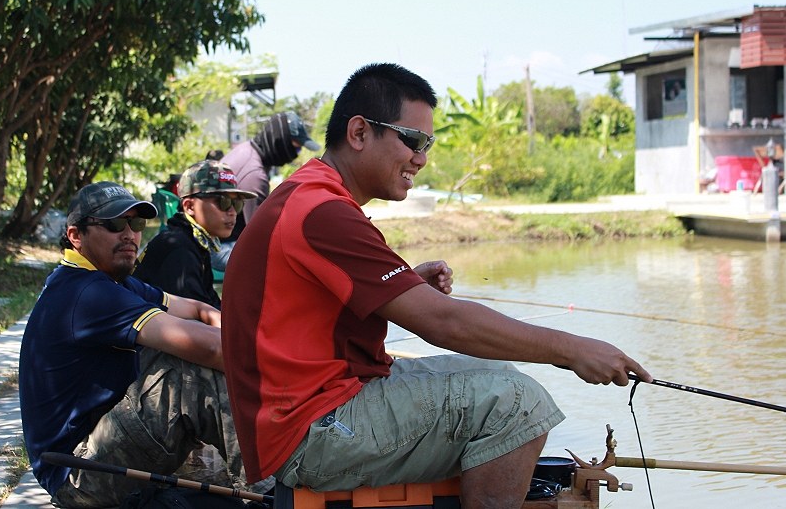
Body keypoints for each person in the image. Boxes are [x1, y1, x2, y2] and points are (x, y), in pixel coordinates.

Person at [221, 63, 652, 508]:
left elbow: (322, 304)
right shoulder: (322, 211)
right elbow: (445, 323)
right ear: (358, 133)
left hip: (315, 406)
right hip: (311, 429)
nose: (421, 158)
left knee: (501, 377)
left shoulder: (313, 197)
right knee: (521, 405)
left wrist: (406, 286)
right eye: (412, 140)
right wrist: (573, 349)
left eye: (426, 144)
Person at [19, 181, 251, 508]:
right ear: (75, 236)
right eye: (115, 224)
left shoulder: (112, 281)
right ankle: (277, 489)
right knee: (187, 375)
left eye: (136, 224)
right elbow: (210, 348)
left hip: (96, 453)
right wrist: (286, 363)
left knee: (198, 356)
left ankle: (275, 475)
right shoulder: (86, 293)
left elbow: (200, 311)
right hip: (79, 474)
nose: (129, 234)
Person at [135, 160, 255, 308]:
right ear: (190, 206)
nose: (232, 212)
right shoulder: (180, 250)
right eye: (223, 202)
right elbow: (197, 319)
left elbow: (209, 303)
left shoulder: (195, 241)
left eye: (237, 204)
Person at [212, 111, 320, 271]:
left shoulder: (248, 149)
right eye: (295, 150)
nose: (293, 157)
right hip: (218, 248)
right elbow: (261, 237)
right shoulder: (255, 175)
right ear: (280, 142)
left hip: (221, 238)